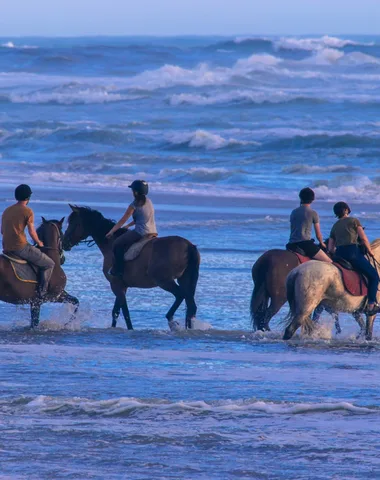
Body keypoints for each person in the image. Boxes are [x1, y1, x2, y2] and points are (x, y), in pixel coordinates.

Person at [1, 184, 55, 298]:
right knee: (49, 264)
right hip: (20, 247)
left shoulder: (7, 210)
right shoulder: (28, 211)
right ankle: (42, 292)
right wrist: (39, 243)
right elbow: (32, 231)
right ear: (28, 198)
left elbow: (2, 231)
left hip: (6, 247)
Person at [328, 201, 380, 315]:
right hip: (353, 253)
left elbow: (330, 248)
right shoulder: (354, 221)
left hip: (339, 255)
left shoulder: (335, 226)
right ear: (346, 210)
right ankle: (371, 304)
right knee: (374, 276)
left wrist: (337, 252)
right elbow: (364, 238)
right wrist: (370, 252)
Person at [106, 180, 157, 276]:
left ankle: (118, 270)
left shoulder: (134, 205)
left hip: (141, 232)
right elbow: (142, 218)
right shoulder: (149, 202)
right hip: (153, 231)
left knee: (117, 244)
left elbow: (122, 220)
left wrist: (111, 231)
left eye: (133, 190)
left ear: (136, 192)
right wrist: (129, 226)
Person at [286, 187, 332, 262]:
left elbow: (292, 228)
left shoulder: (293, 212)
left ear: (300, 198)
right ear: (312, 199)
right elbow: (318, 234)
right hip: (305, 244)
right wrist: (322, 243)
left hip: (291, 244)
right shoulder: (313, 213)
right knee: (330, 262)